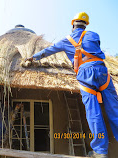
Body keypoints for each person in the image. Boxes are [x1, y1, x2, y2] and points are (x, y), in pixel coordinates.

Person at [26, 12, 118, 158]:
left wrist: (33, 57)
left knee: (93, 111)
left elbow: (48, 51)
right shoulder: (94, 35)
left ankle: (100, 152)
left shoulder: (66, 40)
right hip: (102, 71)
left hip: (85, 74)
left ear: (73, 24)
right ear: (85, 24)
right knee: (114, 108)